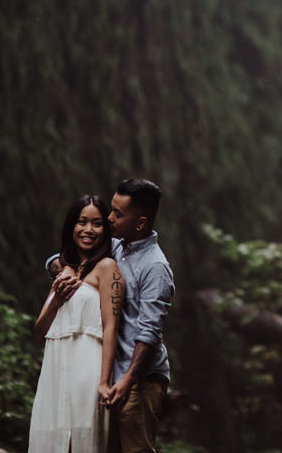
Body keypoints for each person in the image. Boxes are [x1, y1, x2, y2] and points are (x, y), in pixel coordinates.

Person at [48, 179, 175, 453]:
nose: (108, 218)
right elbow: (62, 258)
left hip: (138, 379)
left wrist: (128, 379)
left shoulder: (155, 267)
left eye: (118, 213)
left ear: (140, 223)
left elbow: (149, 332)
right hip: (105, 377)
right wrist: (63, 270)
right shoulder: (116, 248)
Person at [29, 196, 126, 453]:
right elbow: (40, 334)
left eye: (96, 223)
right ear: (71, 226)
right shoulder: (65, 271)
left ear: (105, 230)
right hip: (54, 370)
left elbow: (111, 328)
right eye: (82, 222)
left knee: (82, 442)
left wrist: (104, 381)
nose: (88, 230)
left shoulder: (107, 268)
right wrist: (57, 299)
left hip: (87, 369)